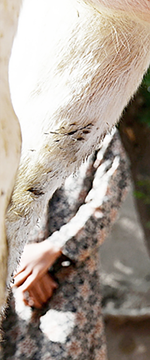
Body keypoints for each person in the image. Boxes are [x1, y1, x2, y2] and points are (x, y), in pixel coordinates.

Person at [2, 129, 130, 360]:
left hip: (70, 285)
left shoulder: (100, 130)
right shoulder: (10, 128)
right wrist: (19, 262)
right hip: (7, 284)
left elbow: (106, 200)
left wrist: (53, 249)